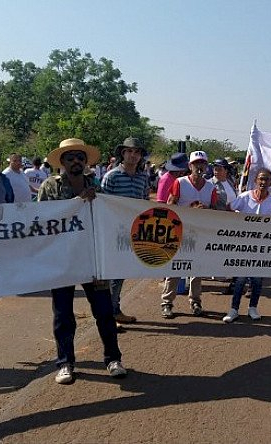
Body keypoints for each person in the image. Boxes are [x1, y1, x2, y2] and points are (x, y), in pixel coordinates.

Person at [37, 137, 126, 384]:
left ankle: (112, 359)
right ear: (62, 162)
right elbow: (43, 219)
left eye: (80, 157)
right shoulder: (50, 187)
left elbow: (109, 219)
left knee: (104, 311)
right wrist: (77, 202)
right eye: (70, 157)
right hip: (62, 261)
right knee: (63, 314)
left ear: (86, 162)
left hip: (93, 259)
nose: (75, 161)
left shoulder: (98, 187)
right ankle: (65, 363)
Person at [160, 151, 218, 318]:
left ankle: (195, 300)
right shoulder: (180, 182)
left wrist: (206, 210)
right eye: (196, 164)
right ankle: (167, 302)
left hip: (199, 233)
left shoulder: (210, 187)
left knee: (197, 269)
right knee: (175, 267)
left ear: (206, 167)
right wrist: (188, 212)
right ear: (190, 166)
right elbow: (170, 205)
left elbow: (215, 211)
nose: (199, 167)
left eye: (202, 164)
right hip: (180, 231)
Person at [222, 167, 271, 323]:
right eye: (261, 179)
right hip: (243, 246)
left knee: (257, 280)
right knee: (240, 279)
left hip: (262, 248)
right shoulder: (245, 197)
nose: (263, 182)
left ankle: (253, 307)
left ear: (270, 183)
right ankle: (234, 309)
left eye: (267, 179)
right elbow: (229, 209)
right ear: (255, 180)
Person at [101, 137, 150, 328]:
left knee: (120, 273)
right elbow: (103, 204)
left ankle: (114, 310)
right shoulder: (111, 176)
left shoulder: (142, 178)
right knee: (110, 273)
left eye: (137, 152)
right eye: (130, 151)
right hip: (113, 231)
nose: (133, 155)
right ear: (123, 154)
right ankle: (107, 315)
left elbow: (145, 202)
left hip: (133, 232)